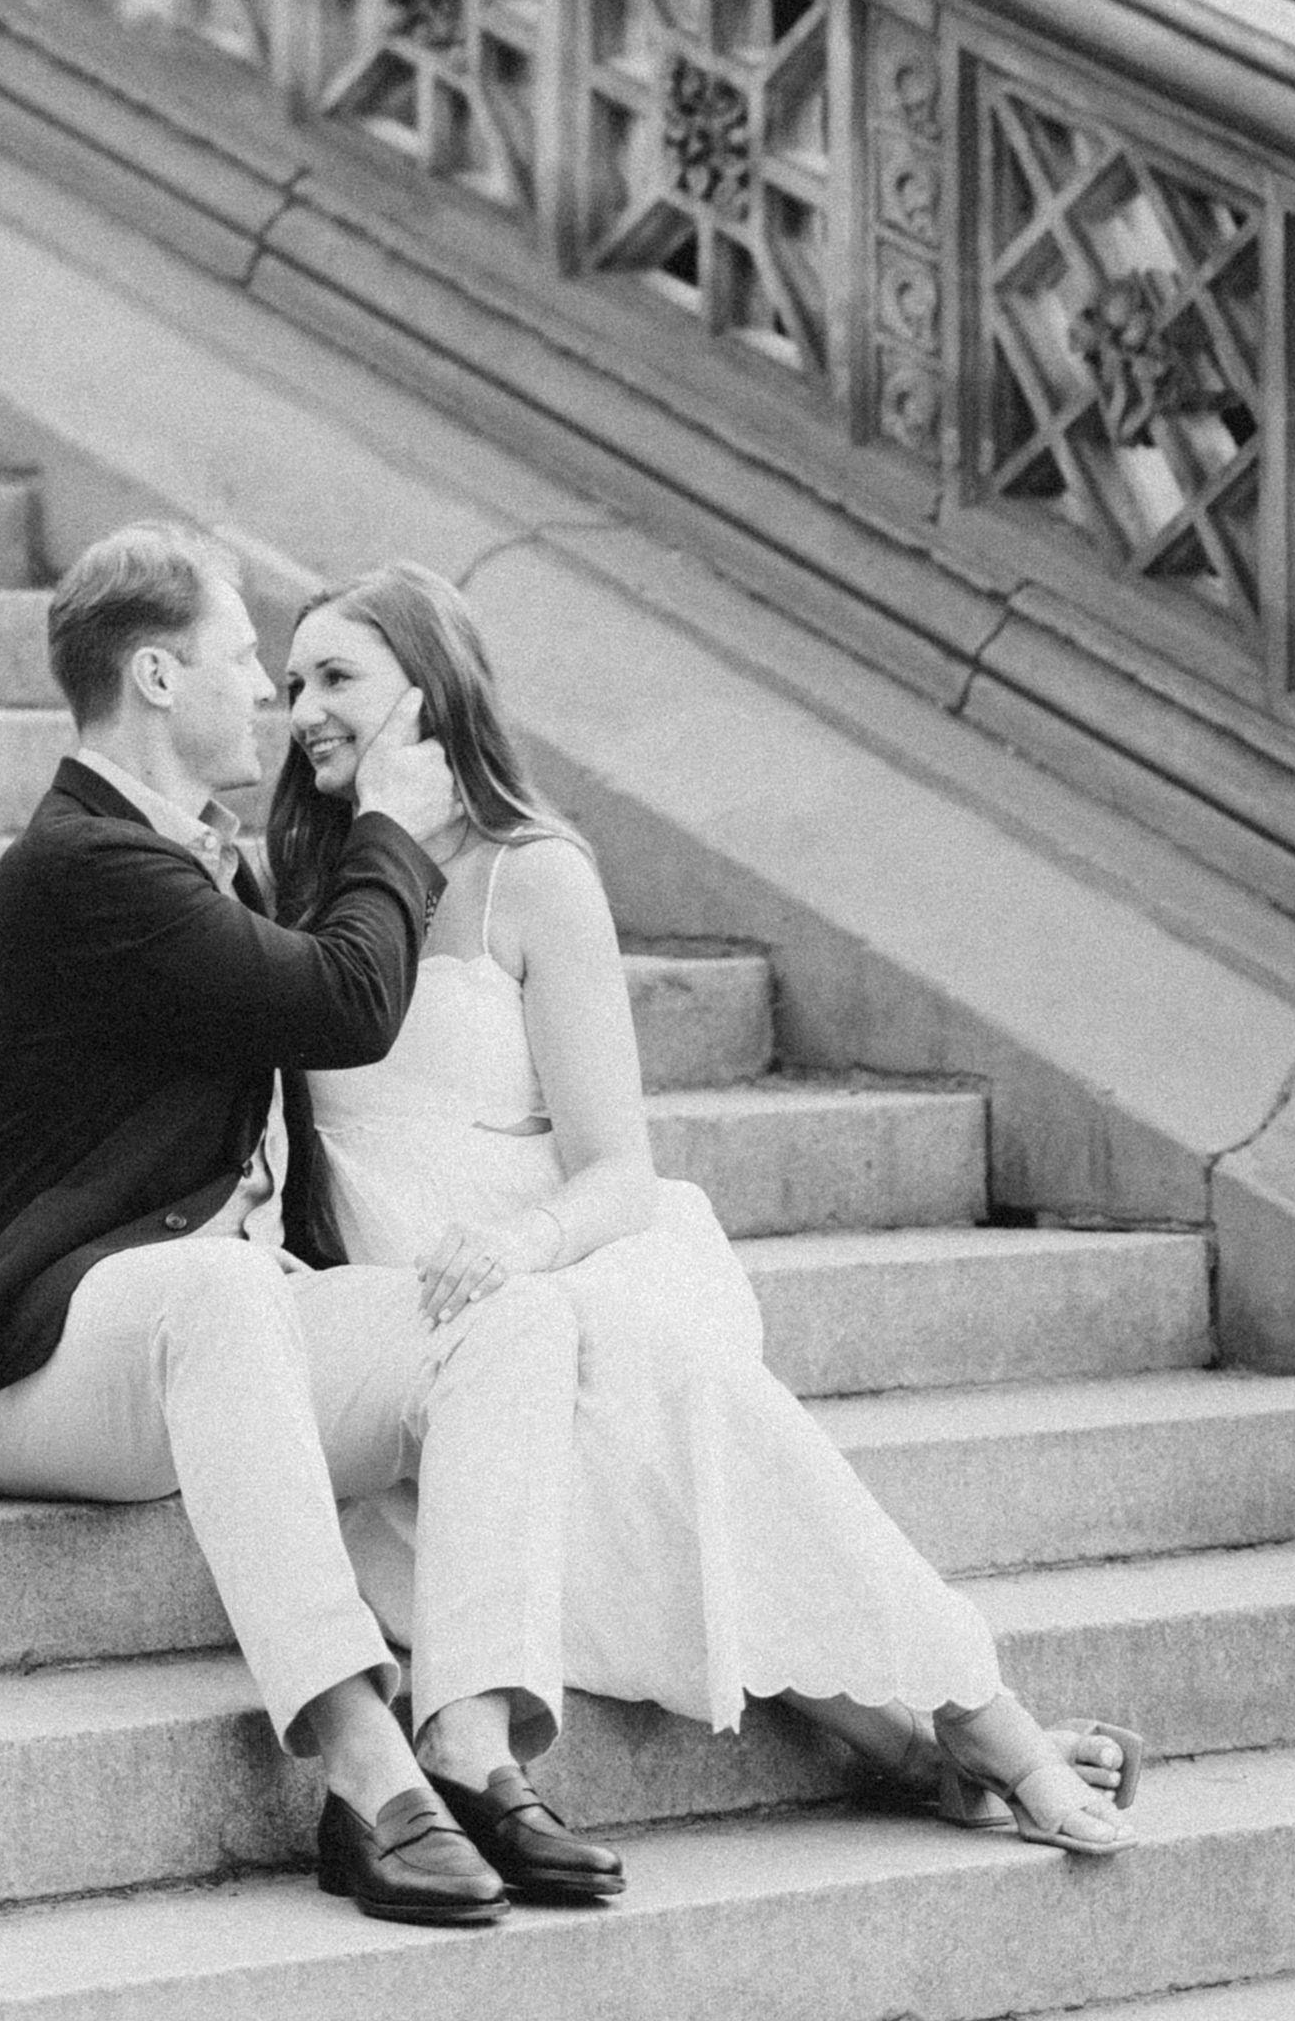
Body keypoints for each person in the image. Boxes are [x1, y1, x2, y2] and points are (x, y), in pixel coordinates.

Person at [271, 561, 1139, 1855]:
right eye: (290, 683)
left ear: (429, 694)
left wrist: (516, 1252)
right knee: (623, 1495)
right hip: (404, 1315)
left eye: (337, 677)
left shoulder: (533, 876)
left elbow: (616, 1167)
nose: (301, 711)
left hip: (540, 1254)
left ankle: (985, 1720)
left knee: (669, 1387)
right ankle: (932, 1747)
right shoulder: (304, 885)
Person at [0, 524, 619, 1928]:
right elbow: (343, 1004)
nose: (271, 699)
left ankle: (469, 1740)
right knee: (216, 1289)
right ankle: (360, 1763)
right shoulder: (81, 863)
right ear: (158, 677)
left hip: (198, 1345)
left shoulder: (205, 863)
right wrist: (394, 828)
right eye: (244, 661)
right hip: (33, 1374)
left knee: (509, 1319)